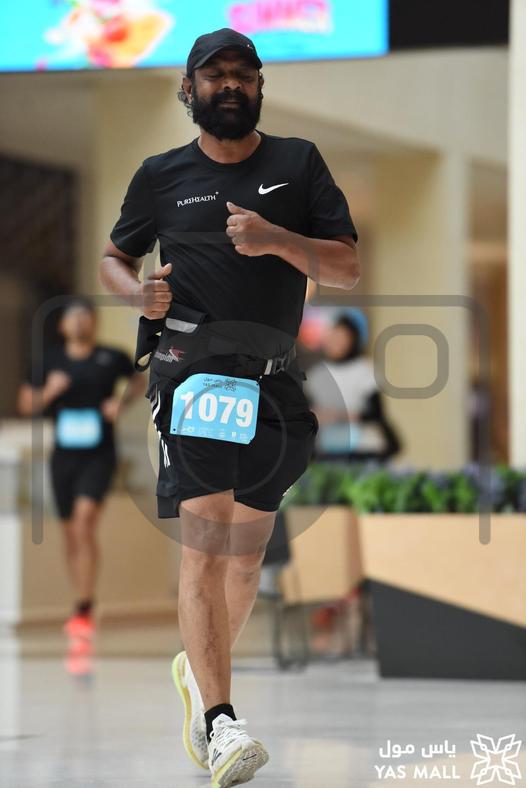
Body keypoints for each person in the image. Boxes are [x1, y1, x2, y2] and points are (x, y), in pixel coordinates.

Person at [100, 27, 359, 787]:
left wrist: (276, 238)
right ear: (189, 90)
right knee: (208, 546)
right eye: (215, 76)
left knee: (246, 558)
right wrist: (136, 293)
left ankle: (197, 667)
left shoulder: (298, 163)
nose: (230, 85)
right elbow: (115, 257)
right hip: (193, 374)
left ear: (260, 87)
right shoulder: (160, 176)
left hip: (275, 383)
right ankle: (220, 721)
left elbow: (345, 266)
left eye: (244, 74)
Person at [18, 297, 145, 647]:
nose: (80, 322)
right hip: (63, 456)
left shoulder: (111, 357)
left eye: (86, 316)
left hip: (100, 453)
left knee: (85, 520)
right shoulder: (49, 362)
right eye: (73, 317)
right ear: (62, 326)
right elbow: (25, 403)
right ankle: (82, 603)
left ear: (94, 322)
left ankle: (84, 607)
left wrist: (120, 403)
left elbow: (139, 380)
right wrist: (50, 391)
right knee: (71, 532)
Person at [304, 309, 401, 461]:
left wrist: (338, 416)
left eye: (342, 337)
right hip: (325, 448)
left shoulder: (365, 371)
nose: (336, 343)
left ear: (353, 340)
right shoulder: (316, 374)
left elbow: (376, 413)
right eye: (333, 336)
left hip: (362, 447)